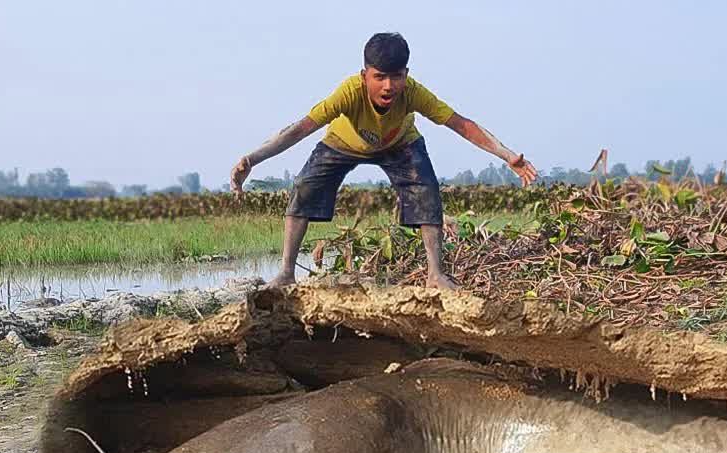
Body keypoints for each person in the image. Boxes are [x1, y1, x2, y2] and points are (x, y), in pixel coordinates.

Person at [230, 32, 538, 290]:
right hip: (343, 143)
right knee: (305, 187)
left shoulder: (414, 93)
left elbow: (461, 124)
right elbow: (298, 130)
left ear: (406, 74)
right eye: (379, 77)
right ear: (365, 76)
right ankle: (285, 272)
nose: (388, 86)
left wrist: (507, 155)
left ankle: (436, 274)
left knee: (426, 189)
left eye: (396, 77)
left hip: (399, 143)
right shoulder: (348, 93)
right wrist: (252, 159)